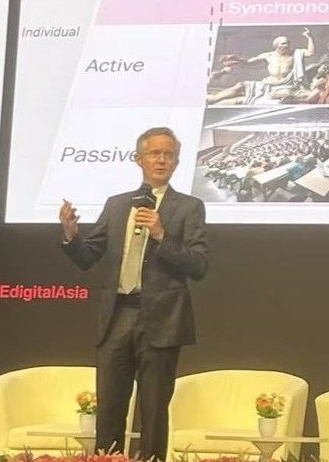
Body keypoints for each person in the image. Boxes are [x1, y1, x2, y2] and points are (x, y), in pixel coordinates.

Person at [59, 127, 209, 461]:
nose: (162, 160)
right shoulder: (116, 205)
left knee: (153, 410)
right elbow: (88, 257)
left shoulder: (189, 207)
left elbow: (199, 265)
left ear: (177, 162)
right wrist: (71, 235)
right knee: (110, 406)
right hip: (117, 315)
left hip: (162, 320)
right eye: (155, 153)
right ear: (138, 159)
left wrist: (161, 234)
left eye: (169, 154)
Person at [208, 28, 315, 104]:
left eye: (287, 43)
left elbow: (311, 52)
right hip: (267, 83)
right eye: (283, 43)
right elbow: (249, 62)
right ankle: (213, 99)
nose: (286, 45)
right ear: (276, 45)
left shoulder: (296, 53)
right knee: (241, 85)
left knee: (285, 95)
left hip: (286, 85)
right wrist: (237, 59)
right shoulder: (268, 55)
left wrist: (309, 37)